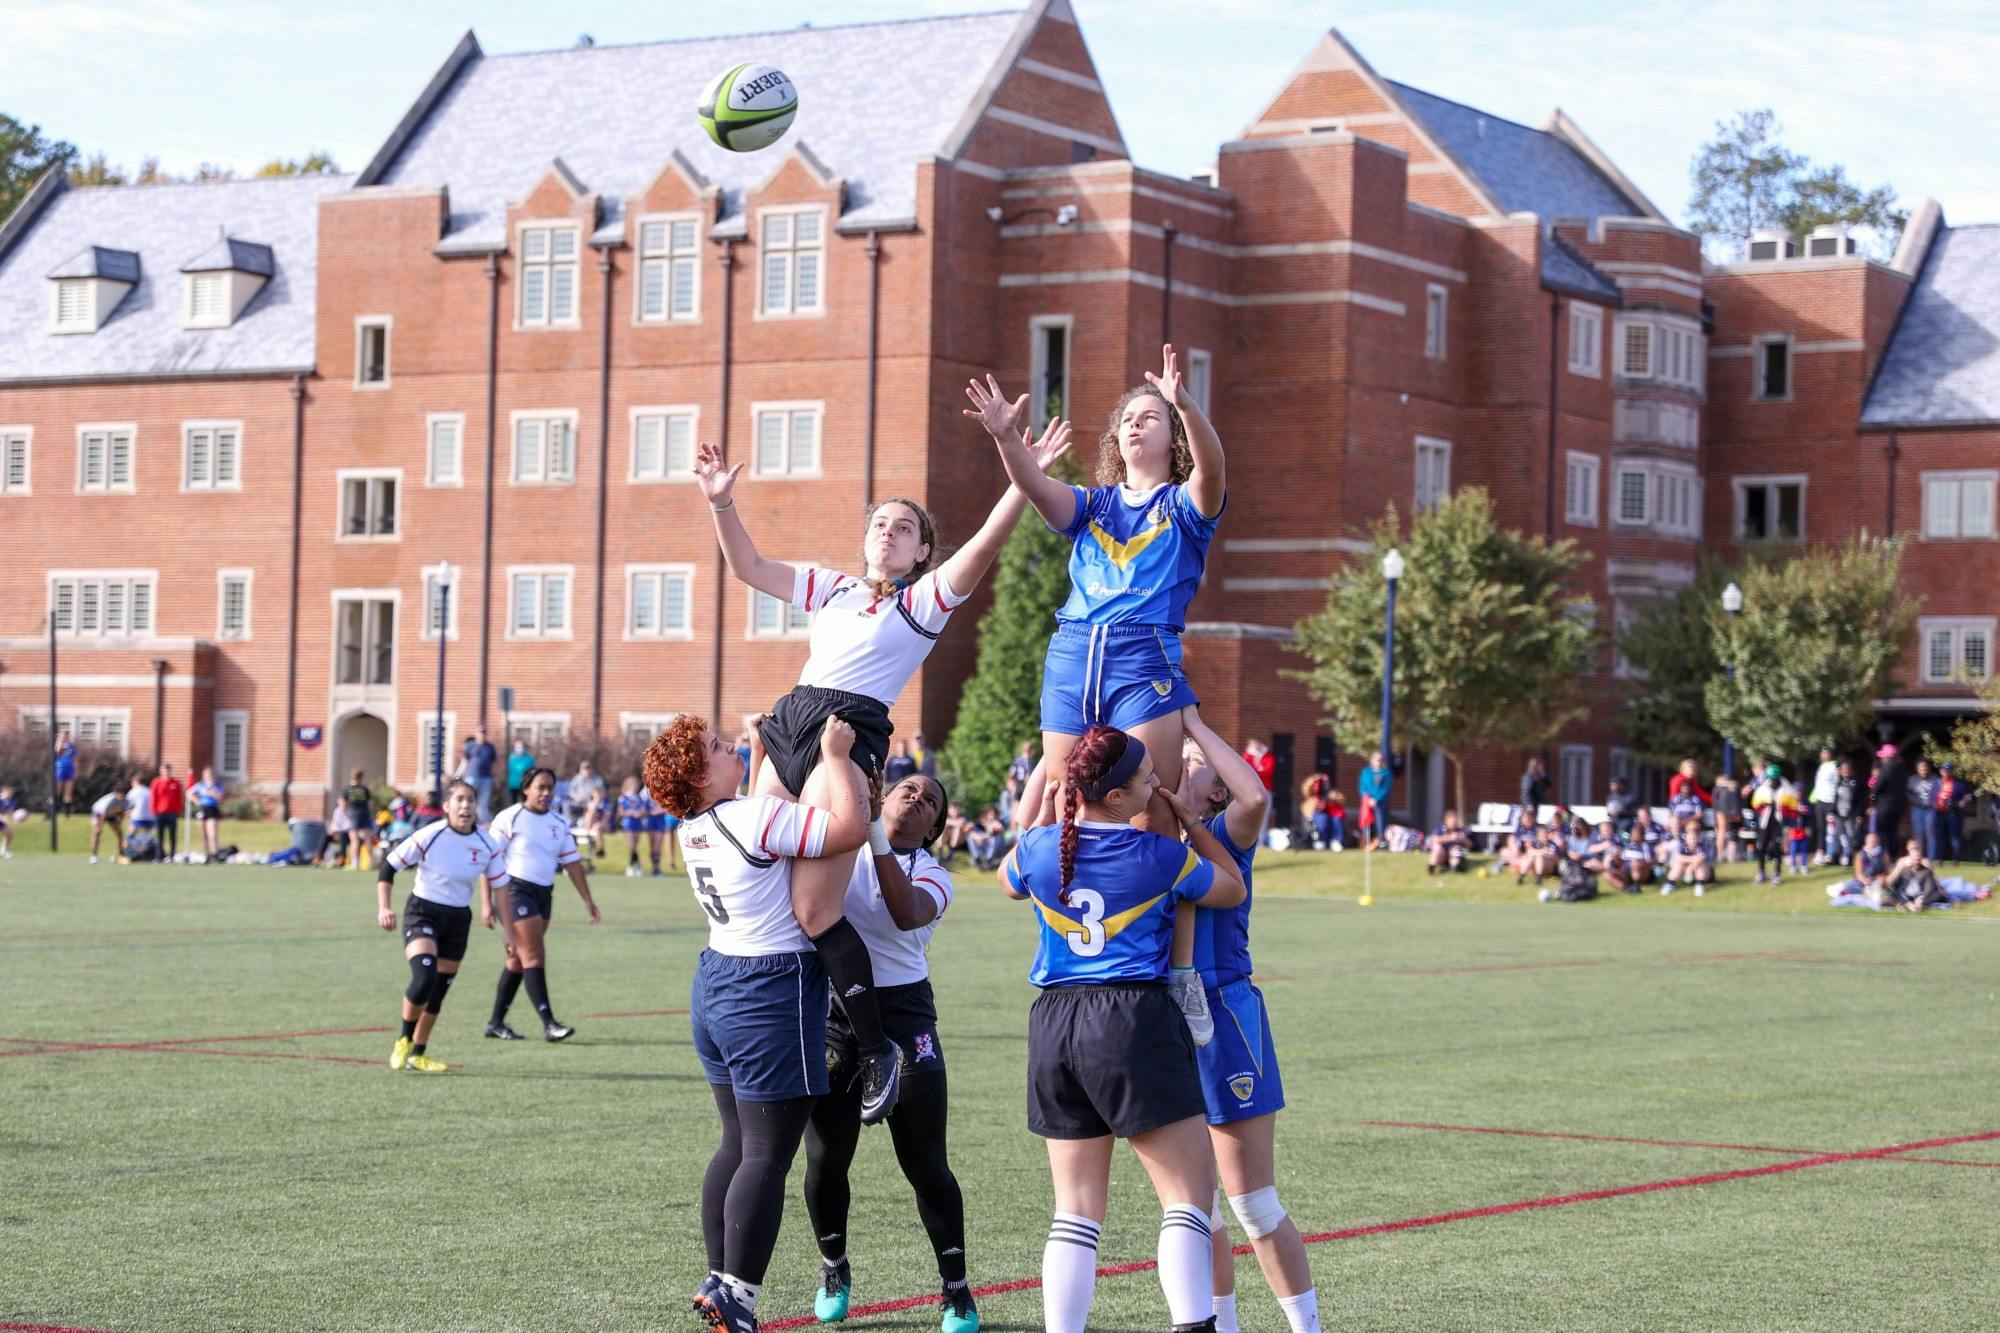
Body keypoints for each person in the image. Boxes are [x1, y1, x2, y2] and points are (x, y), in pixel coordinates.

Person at [697, 407, 1073, 1134]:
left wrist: (1021, 469)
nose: (889, 532)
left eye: (905, 528)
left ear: (923, 549)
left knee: (814, 908)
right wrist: (721, 501)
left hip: (848, 730)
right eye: (881, 523)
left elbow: (990, 541)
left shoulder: (922, 604)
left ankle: (876, 1050)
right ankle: (780, 1020)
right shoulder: (830, 588)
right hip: (789, 719)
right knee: (757, 873)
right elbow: (747, 565)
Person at [971, 348, 1225, 1038]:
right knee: (1063, 800)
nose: (1137, 425)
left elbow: (1213, 471)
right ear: (1115, 442)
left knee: (1158, 811)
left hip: (1145, 655)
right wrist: (1003, 438)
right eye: (1129, 420)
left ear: (1171, 439)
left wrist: (1185, 400)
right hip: (1074, 653)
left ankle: (1178, 971)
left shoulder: (1185, 504)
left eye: (1152, 418)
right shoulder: (1094, 505)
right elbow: (1036, 489)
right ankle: (1065, 944)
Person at [999, 723, 1246, 1333]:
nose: (1158, 782)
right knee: (1188, 1199)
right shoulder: (1159, 855)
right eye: (1146, 779)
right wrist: (1188, 820)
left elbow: (1008, 878)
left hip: (1054, 1026)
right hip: (1132, 1018)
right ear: (1114, 796)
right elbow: (1231, 889)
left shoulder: (1038, 850)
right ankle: (1196, 1326)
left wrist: (1055, 809)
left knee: (1075, 1214)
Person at [643, 714, 869, 1333]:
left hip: (716, 981)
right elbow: (849, 829)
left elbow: (761, 796)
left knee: (737, 1145)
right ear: (698, 774)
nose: (731, 749)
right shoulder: (749, 819)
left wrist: (757, 744)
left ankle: (719, 1277)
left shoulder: (701, 823)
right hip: (769, 988)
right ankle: (738, 1295)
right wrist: (838, 756)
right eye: (718, 749)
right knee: (768, 1153)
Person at [802, 772, 980, 1332]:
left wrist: (875, 830)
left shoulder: (930, 873)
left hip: (905, 1020)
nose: (917, 799)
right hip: (836, 1018)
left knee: (926, 1164)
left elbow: (905, 913)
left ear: (934, 828)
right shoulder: (844, 845)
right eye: (910, 789)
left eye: (931, 801)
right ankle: (834, 1266)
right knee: (827, 1161)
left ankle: (956, 1291)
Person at [1176, 709, 1322, 1333]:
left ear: (1213, 789)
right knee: (1197, 1211)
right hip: (1166, 1021)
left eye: (1191, 766)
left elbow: (1256, 793)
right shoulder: (1144, 839)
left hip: (1225, 1014)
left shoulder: (1223, 831)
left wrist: (1190, 721)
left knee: (1253, 1206)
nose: (1176, 762)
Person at [376, 779, 507, 1075]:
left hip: (458, 919)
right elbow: (388, 866)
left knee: (438, 991)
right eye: (459, 800)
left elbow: (501, 886)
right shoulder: (430, 835)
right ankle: (403, 1039)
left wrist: (509, 930)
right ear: (446, 807)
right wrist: (384, 907)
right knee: (423, 978)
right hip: (423, 912)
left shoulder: (488, 844)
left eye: (470, 800)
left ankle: (418, 1054)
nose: (465, 806)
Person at [484, 767, 600, 1042]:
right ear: (526, 789)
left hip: (543, 893)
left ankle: (496, 1022)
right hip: (514, 891)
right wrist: (487, 904)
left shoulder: (558, 823)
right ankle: (549, 1023)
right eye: (541, 787)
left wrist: (588, 900)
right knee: (534, 955)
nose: (547, 793)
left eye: (550, 787)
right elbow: (488, 861)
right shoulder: (510, 817)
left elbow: (571, 862)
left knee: (517, 960)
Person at [1749, 765, 1797, 885]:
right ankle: (1761, 872)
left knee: (1777, 847)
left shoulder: (1787, 789)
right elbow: (1755, 804)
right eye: (1771, 778)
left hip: (1779, 823)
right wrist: (1764, 806)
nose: (1772, 781)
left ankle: (1776, 873)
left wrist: (1788, 822)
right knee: (1761, 847)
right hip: (1764, 822)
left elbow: (1793, 807)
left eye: (1775, 778)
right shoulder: (1762, 788)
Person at [1870, 743, 1908, 855]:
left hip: (1884, 806)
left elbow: (1877, 787)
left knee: (1880, 832)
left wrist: (1872, 796)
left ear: (1887, 757)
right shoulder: (1902, 770)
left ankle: (1881, 856)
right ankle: (1892, 857)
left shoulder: (1886, 769)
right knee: (1893, 833)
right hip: (1897, 807)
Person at [147, 764, 185, 865]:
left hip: (172, 814)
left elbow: (179, 798)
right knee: (160, 836)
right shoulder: (156, 782)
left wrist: (178, 810)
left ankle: (172, 856)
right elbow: (153, 797)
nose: (166, 773)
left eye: (168, 771)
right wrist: (154, 811)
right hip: (160, 813)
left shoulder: (176, 783)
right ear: (161, 772)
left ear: (170, 771)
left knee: (172, 836)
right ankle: (159, 857)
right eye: (164, 771)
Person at [1664, 816, 1713, 894]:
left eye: (1695, 836)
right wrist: (1693, 859)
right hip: (1684, 869)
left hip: (1702, 871)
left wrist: (1690, 867)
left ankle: (1699, 885)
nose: (1693, 839)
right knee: (1679, 864)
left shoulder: (1702, 845)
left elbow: (1702, 857)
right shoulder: (1681, 845)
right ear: (1686, 836)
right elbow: (1678, 857)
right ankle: (1670, 884)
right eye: (1691, 837)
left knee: (1701, 865)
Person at [1807, 747, 1840, 865]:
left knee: (1831, 830)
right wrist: (1813, 798)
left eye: (1824, 753)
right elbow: (1819, 785)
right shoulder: (1821, 767)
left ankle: (1831, 854)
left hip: (1830, 801)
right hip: (1820, 801)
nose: (1822, 755)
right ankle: (1820, 852)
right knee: (1821, 828)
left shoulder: (1835, 766)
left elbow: (1837, 785)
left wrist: (1835, 803)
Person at [1907, 758, 1941, 865]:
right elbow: (1909, 794)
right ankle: (1919, 857)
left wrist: (1934, 802)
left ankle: (1932, 858)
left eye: (1925, 768)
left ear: (1928, 768)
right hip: (1917, 808)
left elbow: (1939, 793)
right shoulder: (1912, 780)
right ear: (1917, 769)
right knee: (1919, 833)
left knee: (1930, 831)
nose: (1924, 770)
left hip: (1930, 809)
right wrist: (1918, 801)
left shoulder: (1935, 779)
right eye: (1921, 768)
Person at [1935, 763, 1971, 864]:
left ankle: (1956, 859)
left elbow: (1966, 798)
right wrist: (1934, 805)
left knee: (1955, 837)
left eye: (1948, 770)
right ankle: (1939, 859)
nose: (1945, 772)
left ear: (1951, 771)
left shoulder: (1959, 785)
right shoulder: (1936, 783)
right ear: (1941, 771)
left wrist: (1959, 803)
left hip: (1953, 814)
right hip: (1939, 814)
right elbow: (1931, 798)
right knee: (1939, 837)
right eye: (1943, 769)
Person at [462, 725, 499, 822]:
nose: (482, 735)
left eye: (484, 733)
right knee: (467, 798)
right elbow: (465, 760)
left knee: (483, 802)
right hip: (472, 776)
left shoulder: (490, 747)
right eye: (480, 733)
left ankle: (484, 822)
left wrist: (495, 777)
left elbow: (494, 763)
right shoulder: (471, 746)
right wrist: (464, 774)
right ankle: (467, 818)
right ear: (476, 734)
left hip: (486, 778)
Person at [1582, 821, 1630, 893]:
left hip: (1616, 862)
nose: (1606, 832)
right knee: (1604, 873)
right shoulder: (1597, 838)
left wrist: (1614, 848)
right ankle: (1626, 888)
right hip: (1600, 862)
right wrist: (1604, 846)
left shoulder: (1618, 838)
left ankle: (1626, 882)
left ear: (1612, 829)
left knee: (1606, 868)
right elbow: (1590, 849)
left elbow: (1624, 850)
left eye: (1608, 829)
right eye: (1604, 830)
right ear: (1600, 831)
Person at [615, 777, 649, 877]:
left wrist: (639, 813)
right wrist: (631, 813)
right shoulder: (623, 798)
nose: (635, 787)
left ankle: (634, 865)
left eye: (636, 785)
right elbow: (620, 811)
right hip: (628, 822)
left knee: (635, 845)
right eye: (632, 785)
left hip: (638, 822)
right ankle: (633, 865)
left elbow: (644, 810)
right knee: (631, 846)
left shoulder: (639, 797)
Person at [189, 767, 225, 862]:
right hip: (202, 809)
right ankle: (206, 855)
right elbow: (189, 793)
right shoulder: (200, 785)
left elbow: (220, 798)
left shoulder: (217, 785)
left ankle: (215, 854)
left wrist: (212, 792)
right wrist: (197, 801)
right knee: (203, 834)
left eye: (210, 775)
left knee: (212, 834)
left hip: (212, 809)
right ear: (204, 776)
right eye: (207, 775)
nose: (209, 777)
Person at [339, 769, 373, 873]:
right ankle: (370, 862)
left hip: (353, 816)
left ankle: (355, 863)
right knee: (367, 839)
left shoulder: (347, 789)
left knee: (354, 840)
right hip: (365, 815)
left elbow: (343, 805)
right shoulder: (365, 789)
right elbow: (370, 805)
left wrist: (346, 815)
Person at [1358, 752, 1392, 852]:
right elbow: (1362, 786)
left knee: (1380, 820)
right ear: (1372, 761)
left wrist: (1376, 799)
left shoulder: (1386, 773)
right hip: (1367, 800)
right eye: (1376, 759)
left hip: (1380, 801)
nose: (1378, 762)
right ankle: (1365, 841)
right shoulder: (1366, 772)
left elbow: (1386, 788)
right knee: (1366, 820)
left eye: (1380, 760)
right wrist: (1368, 798)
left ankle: (1380, 840)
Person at [88, 783, 130, 863]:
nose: (121, 796)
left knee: (120, 833)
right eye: (119, 793)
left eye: (123, 794)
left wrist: (119, 824)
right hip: (98, 813)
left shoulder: (126, 801)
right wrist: (100, 827)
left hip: (112, 813)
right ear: (116, 793)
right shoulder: (110, 800)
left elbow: (121, 813)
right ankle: (93, 855)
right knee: (97, 832)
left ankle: (121, 853)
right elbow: (103, 815)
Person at [1831, 760, 1863, 866]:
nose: (1845, 771)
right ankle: (1835, 856)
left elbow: (1859, 800)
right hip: (1839, 813)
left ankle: (1849, 857)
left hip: (1850, 813)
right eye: (1843, 769)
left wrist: (1859, 814)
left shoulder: (1855, 782)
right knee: (1837, 835)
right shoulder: (1838, 782)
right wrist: (1832, 811)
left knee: (1850, 835)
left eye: (1847, 769)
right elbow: (1835, 798)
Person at [647, 787, 680, 877]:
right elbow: (644, 807)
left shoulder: (663, 788)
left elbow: (668, 805)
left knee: (658, 845)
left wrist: (660, 810)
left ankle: (657, 868)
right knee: (653, 846)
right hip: (651, 821)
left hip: (661, 820)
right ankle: (654, 867)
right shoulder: (644, 793)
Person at [1712, 771, 1743, 862]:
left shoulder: (1718, 788)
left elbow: (1715, 803)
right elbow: (1740, 801)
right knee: (1734, 832)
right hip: (1735, 811)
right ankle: (1732, 857)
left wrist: (1715, 822)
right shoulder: (1736, 786)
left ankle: (1720, 855)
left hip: (1721, 809)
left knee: (1722, 831)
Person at [967, 805, 1008, 871]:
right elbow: (969, 829)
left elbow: (996, 832)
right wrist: (977, 837)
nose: (991, 816)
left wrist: (983, 837)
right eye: (989, 814)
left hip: (998, 849)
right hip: (985, 846)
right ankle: (977, 858)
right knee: (970, 836)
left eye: (993, 814)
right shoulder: (981, 822)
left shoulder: (999, 822)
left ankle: (988, 860)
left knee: (995, 838)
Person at [566, 759, 606, 823]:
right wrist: (575, 797)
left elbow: (602, 793)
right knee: (566, 805)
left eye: (589, 769)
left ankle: (588, 824)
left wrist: (594, 798)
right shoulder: (576, 778)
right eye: (585, 769)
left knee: (593, 807)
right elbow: (571, 792)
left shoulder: (597, 779)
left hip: (592, 801)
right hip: (579, 801)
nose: (587, 771)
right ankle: (570, 824)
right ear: (580, 770)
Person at [52, 728, 79, 817]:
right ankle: (51, 811)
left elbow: (75, 760)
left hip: (69, 769)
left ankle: (67, 814)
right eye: (63, 734)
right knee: (57, 791)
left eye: (67, 734)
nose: (65, 736)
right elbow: (57, 751)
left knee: (68, 792)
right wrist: (60, 740)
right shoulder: (58, 744)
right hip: (59, 768)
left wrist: (76, 771)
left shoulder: (72, 746)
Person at [938, 802, 973, 866]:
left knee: (957, 828)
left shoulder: (964, 816)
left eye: (957, 810)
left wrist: (949, 822)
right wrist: (954, 822)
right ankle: (940, 854)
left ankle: (951, 854)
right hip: (948, 839)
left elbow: (962, 823)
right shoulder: (945, 815)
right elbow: (943, 822)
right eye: (953, 811)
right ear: (949, 811)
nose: (956, 812)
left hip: (961, 842)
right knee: (943, 828)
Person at [506, 738, 535, 806]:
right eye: (517, 746)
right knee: (513, 805)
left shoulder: (529, 758)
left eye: (521, 746)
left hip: (524, 785)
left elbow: (532, 771)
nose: (519, 748)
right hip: (513, 785)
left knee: (525, 804)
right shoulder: (511, 758)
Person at [0, 784, 19, 858]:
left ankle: (4, 849)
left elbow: (10, 813)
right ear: (4, 792)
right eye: (9, 792)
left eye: (11, 793)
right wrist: (1, 817)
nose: (11, 794)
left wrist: (16, 820)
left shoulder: (11, 801)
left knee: (9, 834)